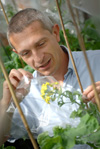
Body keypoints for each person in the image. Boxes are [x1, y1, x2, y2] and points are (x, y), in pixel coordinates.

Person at [0, 8, 100, 148]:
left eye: (41, 44)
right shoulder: (26, 93)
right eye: (26, 53)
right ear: (17, 54)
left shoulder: (96, 61)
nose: (38, 59)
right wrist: (7, 103)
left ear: (55, 33)